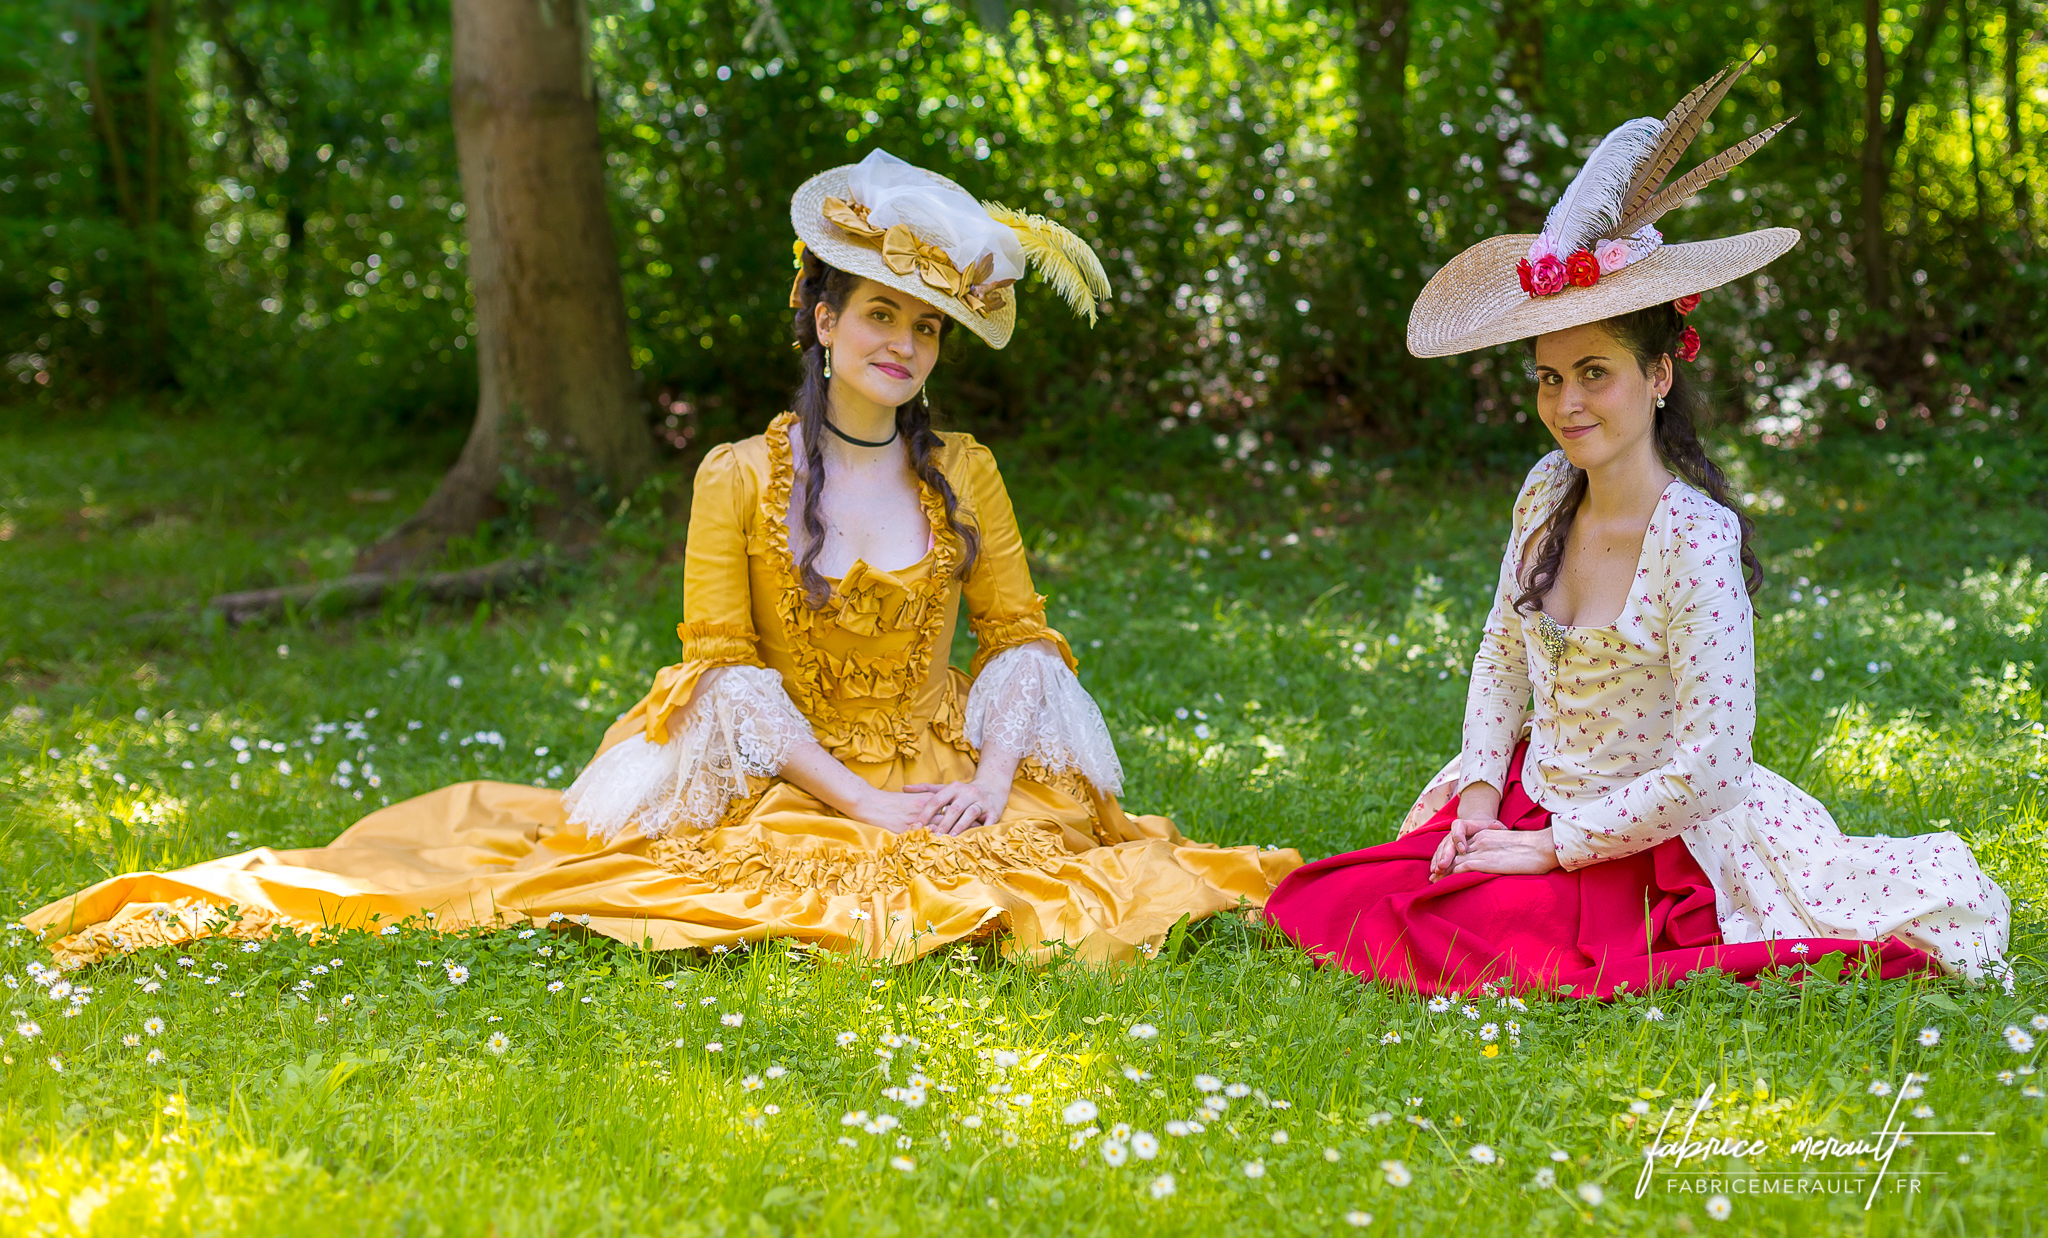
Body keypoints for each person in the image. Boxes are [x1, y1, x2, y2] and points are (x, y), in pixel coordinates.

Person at [30, 150, 1298, 969]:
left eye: (923, 327)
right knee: (763, 866)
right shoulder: (736, 477)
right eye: (877, 316)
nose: (901, 345)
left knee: (1067, 867)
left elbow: (1021, 637)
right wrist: (857, 803)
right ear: (820, 317)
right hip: (792, 771)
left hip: (944, 760)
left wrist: (991, 776)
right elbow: (722, 667)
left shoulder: (961, 470)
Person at [1266, 63, 2009, 996]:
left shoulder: (1693, 538)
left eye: (1594, 372)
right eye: (1547, 377)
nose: (1566, 402)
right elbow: (1503, 651)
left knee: (1495, 947)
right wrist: (1482, 795)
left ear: (1659, 374)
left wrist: (1554, 853)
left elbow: (1713, 762)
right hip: (1539, 794)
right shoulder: (1545, 491)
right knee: (1347, 903)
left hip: (1653, 830)